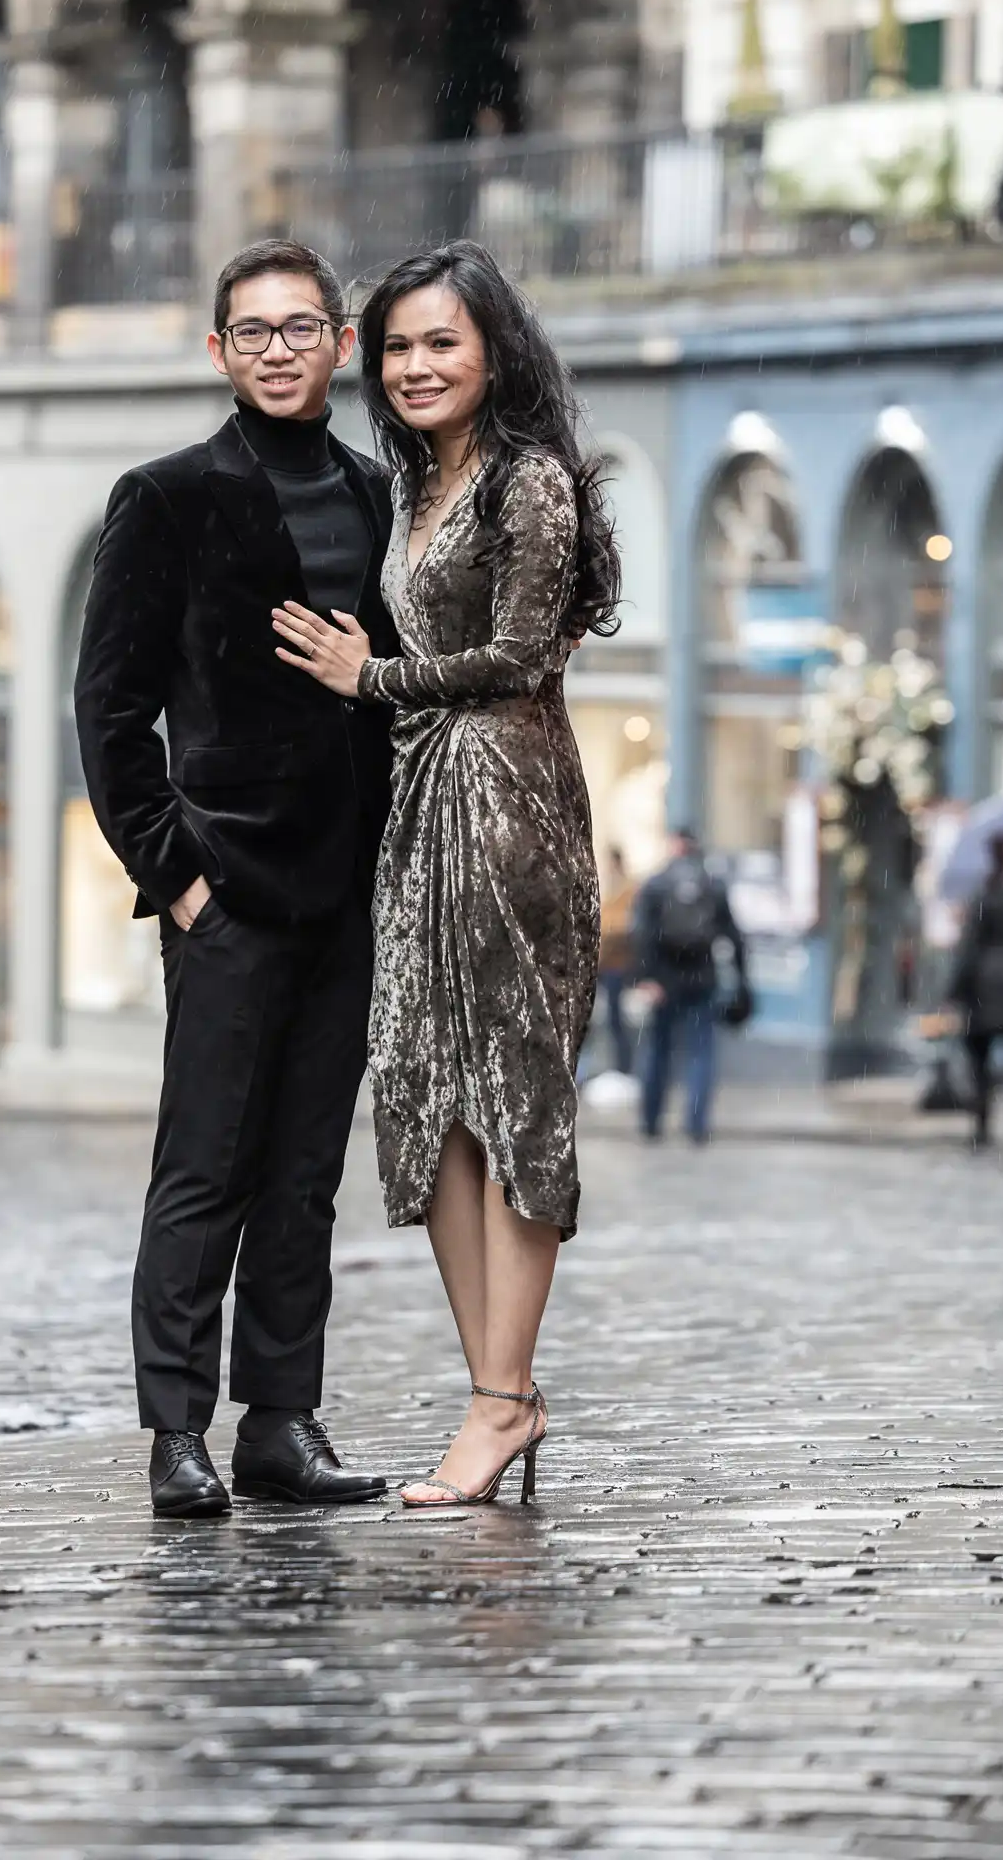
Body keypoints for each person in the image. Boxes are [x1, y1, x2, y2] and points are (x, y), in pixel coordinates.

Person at [271, 239, 620, 1508]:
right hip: (421, 805)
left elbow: (522, 657)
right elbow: (439, 640)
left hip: (509, 804)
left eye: (442, 343)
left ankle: (493, 1399)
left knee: (513, 1093)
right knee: (429, 1096)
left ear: (493, 353)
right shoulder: (420, 483)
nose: (416, 366)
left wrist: (369, 675)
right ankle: (503, 1396)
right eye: (399, 346)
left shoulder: (526, 481)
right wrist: (384, 657)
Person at [74, 239, 398, 1519]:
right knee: (203, 1167)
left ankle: (281, 1419)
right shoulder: (166, 496)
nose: (276, 348)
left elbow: (393, 691)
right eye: (251, 331)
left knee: (307, 1170)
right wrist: (173, 873)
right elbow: (110, 712)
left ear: (340, 345)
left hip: (346, 889)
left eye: (299, 327)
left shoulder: (378, 497)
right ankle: (176, 1431)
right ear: (218, 351)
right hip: (227, 889)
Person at [633, 829, 748, 1144]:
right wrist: (742, 982)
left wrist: (646, 978)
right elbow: (735, 937)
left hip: (664, 980)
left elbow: (642, 935)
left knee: (659, 1049)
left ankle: (651, 1121)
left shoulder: (656, 884)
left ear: (673, 846)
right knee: (701, 1052)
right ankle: (696, 1124)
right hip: (702, 977)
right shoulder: (712, 884)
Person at [948, 831, 1003, 1149]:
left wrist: (955, 990)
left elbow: (969, 948)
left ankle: (981, 1126)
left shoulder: (985, 894)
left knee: (979, 1061)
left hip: (986, 986)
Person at [597, 846, 637, 1075]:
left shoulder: (626, 890)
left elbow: (621, 926)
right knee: (608, 1018)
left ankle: (623, 1067)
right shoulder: (609, 889)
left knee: (615, 1018)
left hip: (616, 963)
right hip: (605, 963)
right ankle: (615, 1066)